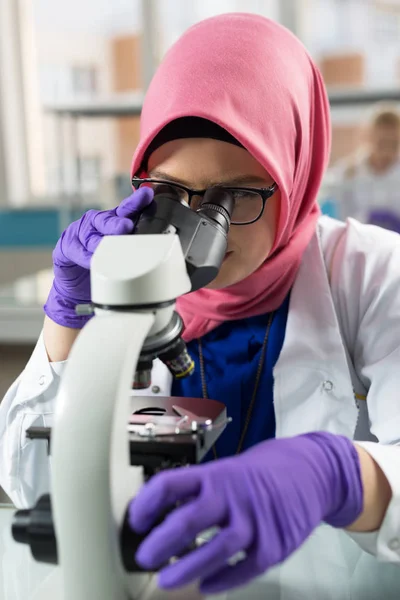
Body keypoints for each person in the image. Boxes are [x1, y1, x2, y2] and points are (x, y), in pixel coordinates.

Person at [0, 13, 399, 595]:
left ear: (295, 174)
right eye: (168, 191)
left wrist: (338, 477)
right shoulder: (135, 271)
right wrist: (68, 323)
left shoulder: (371, 274)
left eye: (235, 195)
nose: (195, 231)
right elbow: (32, 485)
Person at [335, 104, 400, 231]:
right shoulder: (347, 173)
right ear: (369, 136)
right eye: (382, 141)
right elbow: (340, 219)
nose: (387, 148)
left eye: (394, 143)